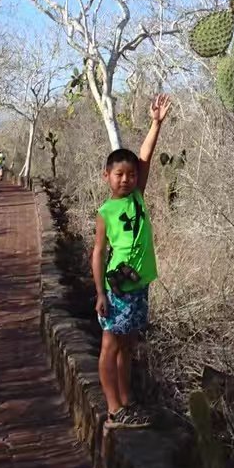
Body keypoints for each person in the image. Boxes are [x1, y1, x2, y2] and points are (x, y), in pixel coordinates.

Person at [93, 93, 170, 429]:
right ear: (106, 176)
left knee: (128, 346)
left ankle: (128, 402)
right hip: (118, 287)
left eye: (130, 174)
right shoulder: (106, 211)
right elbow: (97, 253)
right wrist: (99, 293)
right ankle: (113, 408)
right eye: (118, 174)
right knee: (110, 346)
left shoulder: (138, 195)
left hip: (138, 284)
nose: (126, 179)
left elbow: (145, 156)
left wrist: (155, 123)